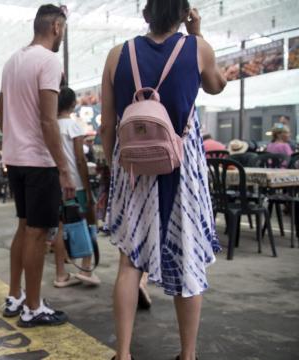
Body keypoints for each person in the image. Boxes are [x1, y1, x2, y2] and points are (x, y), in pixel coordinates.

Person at [99, 1, 226, 359]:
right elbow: (216, 86)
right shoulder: (197, 49)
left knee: (128, 263)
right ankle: (187, 355)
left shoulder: (116, 55)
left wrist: (115, 169)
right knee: (188, 258)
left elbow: (107, 125)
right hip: (182, 169)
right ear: (184, 14)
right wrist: (197, 33)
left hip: (133, 169)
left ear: (146, 15)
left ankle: (122, 354)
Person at [0, 4, 75, 327]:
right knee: (38, 234)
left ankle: (15, 296)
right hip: (39, 162)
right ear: (56, 27)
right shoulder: (49, 61)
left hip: (15, 159)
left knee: (24, 226)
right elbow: (48, 121)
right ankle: (32, 306)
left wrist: (15, 138)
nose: (63, 36)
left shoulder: (13, 60)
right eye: (63, 30)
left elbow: (0, 113)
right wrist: (64, 168)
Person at [52, 87, 100, 288]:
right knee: (88, 220)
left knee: (61, 228)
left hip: (56, 184)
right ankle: (85, 268)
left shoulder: (51, 126)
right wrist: (88, 190)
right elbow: (80, 160)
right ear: (73, 105)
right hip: (76, 184)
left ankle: (61, 275)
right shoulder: (74, 127)